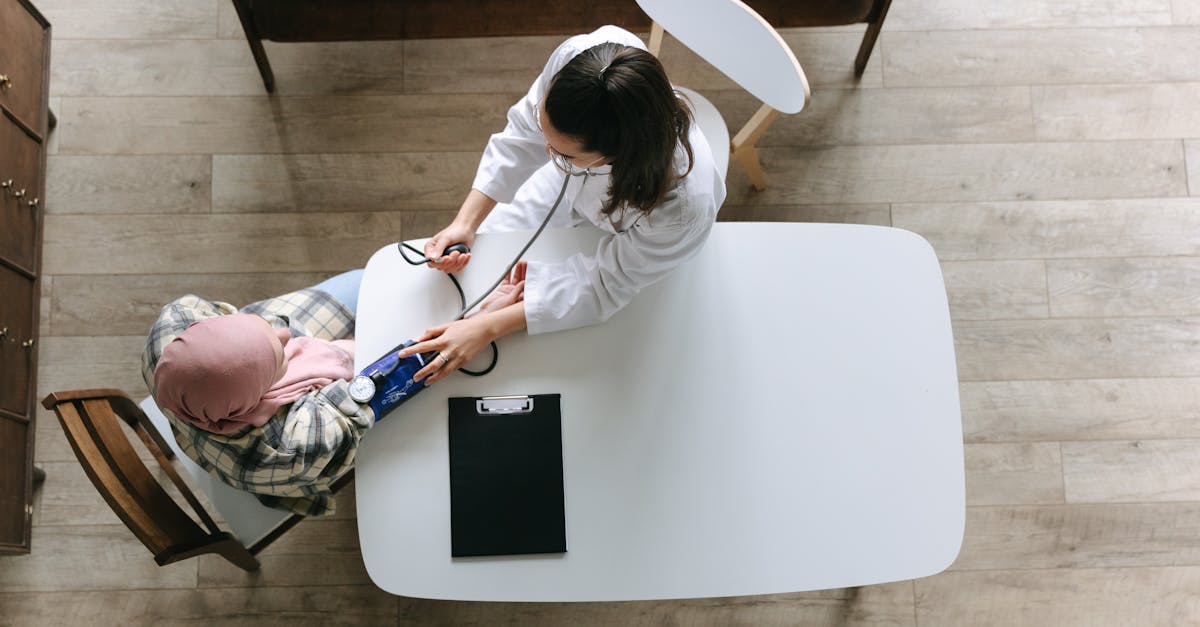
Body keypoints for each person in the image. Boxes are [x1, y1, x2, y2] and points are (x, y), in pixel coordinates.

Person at [397, 25, 727, 385]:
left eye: (563, 152)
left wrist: (485, 328)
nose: (546, 153)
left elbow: (606, 283)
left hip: (636, 243)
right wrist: (466, 222)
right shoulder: (585, 60)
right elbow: (523, 134)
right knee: (483, 265)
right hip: (572, 187)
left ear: (615, 154)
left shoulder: (680, 210)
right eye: (548, 138)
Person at [141, 269, 523, 516]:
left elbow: (275, 331)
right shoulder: (291, 446)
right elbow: (373, 391)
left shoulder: (174, 324)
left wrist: (256, 348)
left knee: (383, 279)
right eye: (280, 357)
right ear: (254, 399)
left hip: (224, 413)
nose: (288, 334)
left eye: (260, 328)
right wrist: (478, 322)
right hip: (292, 456)